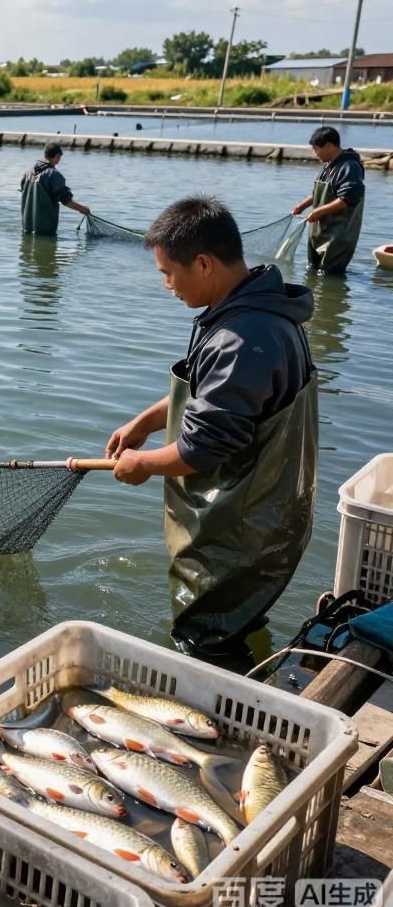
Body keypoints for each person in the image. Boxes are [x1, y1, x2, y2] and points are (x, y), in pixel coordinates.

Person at [99, 195, 318, 665]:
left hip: (240, 532)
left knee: (204, 639)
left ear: (203, 264)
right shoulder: (254, 311)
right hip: (266, 517)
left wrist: (142, 465)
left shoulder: (242, 339)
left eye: (168, 273)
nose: (166, 285)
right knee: (237, 623)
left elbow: (204, 447)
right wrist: (144, 422)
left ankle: (224, 715)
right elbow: (209, 397)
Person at [292, 126, 365, 274]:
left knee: (329, 276)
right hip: (319, 234)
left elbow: (348, 198)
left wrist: (318, 211)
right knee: (313, 273)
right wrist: (302, 206)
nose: (316, 154)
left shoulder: (349, 166)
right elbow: (318, 193)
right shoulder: (327, 167)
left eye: (317, 149)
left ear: (329, 146)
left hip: (338, 237)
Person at [20, 142, 90, 235]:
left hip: (27, 226)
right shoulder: (54, 175)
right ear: (57, 156)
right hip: (45, 229)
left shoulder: (29, 171)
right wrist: (82, 209)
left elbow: (23, 189)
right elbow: (65, 201)